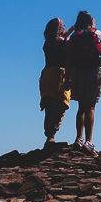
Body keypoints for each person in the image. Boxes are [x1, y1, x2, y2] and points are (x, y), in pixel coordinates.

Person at [67, 10, 101, 152]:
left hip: (79, 72)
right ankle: (89, 141)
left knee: (81, 107)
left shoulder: (75, 36)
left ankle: (78, 138)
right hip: (95, 71)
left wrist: (68, 78)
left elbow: (69, 59)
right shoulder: (98, 34)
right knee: (91, 107)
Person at [39, 17, 74, 146]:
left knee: (49, 108)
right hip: (59, 76)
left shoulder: (47, 43)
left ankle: (49, 135)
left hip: (47, 76)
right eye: (63, 25)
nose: (65, 27)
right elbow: (65, 40)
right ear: (59, 29)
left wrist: (73, 27)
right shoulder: (65, 42)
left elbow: (61, 37)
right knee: (60, 106)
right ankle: (52, 136)